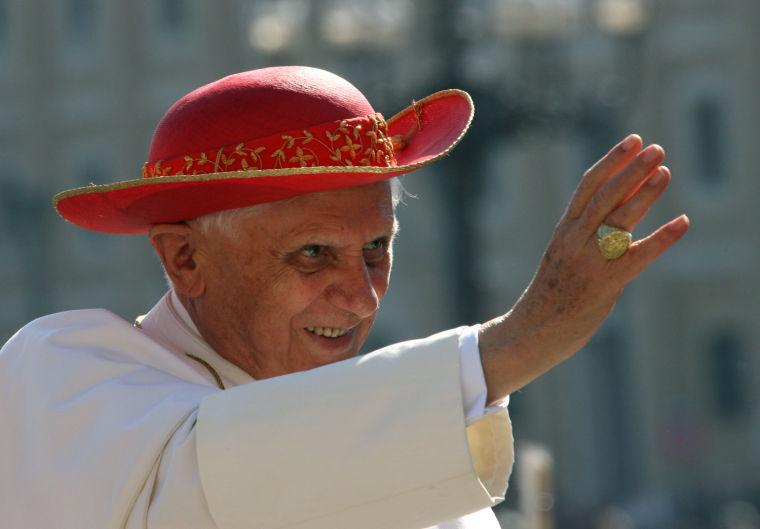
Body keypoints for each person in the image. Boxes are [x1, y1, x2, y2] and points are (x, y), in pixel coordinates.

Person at [0, 66, 688, 529]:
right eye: (313, 254)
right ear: (185, 257)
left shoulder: (400, 443)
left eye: (377, 249)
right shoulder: (60, 375)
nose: (361, 297)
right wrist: (511, 346)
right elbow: (205, 487)